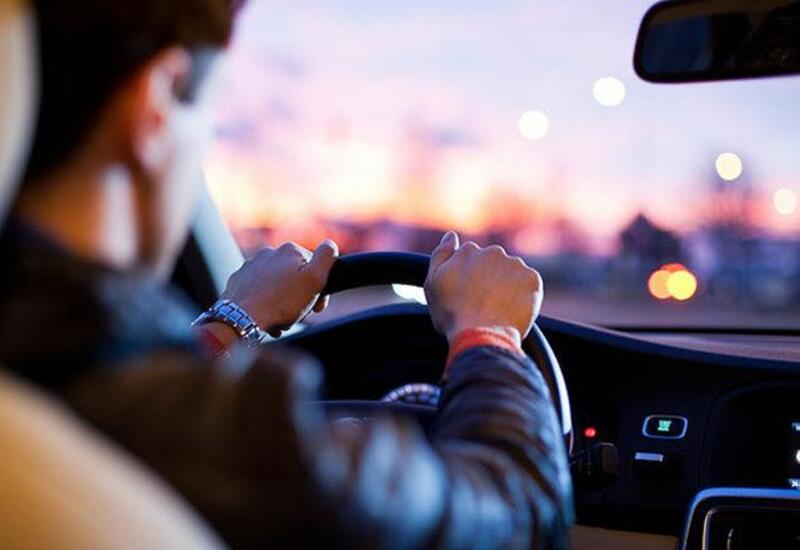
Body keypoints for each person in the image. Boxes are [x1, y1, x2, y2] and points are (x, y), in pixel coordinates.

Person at [0, 0, 573, 548]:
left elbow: (129, 381)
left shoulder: (50, 364)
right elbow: (514, 513)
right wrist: (489, 336)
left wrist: (231, 321)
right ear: (157, 104)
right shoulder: (244, 449)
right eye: (210, 118)